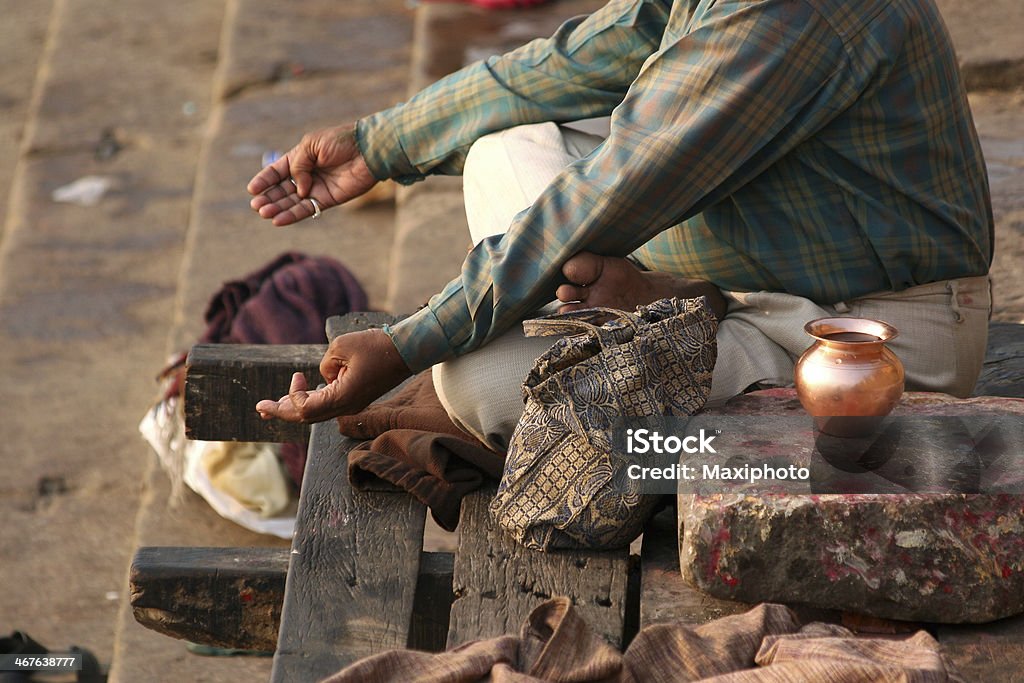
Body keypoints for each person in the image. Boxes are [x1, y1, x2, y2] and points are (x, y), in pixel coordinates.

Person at [249, 0, 993, 450]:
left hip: (861, 344)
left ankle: (674, 316)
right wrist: (382, 144)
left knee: (480, 380)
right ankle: (666, 305)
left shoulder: (787, 13)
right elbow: (581, 61)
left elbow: (601, 197)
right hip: (750, 275)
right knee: (504, 148)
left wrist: (407, 342)